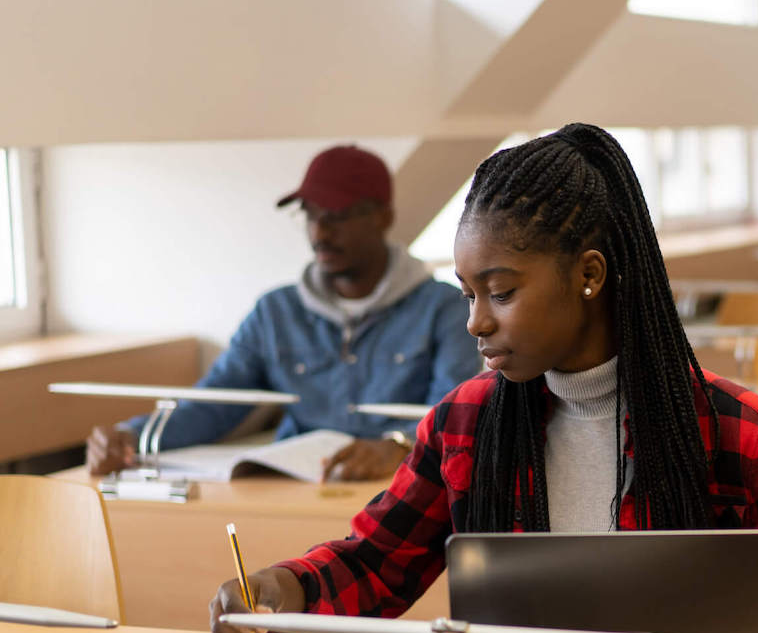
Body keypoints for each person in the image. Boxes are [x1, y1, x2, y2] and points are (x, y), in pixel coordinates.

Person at [209, 123, 758, 633]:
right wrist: (276, 591)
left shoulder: (742, 432)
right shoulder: (463, 425)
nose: (475, 321)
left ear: (588, 274)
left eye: (500, 291)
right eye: (468, 294)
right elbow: (374, 565)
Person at [85, 145, 479, 482]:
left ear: (383, 217)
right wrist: (132, 436)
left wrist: (397, 446)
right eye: (310, 215)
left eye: (336, 217)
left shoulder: (444, 308)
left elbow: (451, 417)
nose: (319, 233)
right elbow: (215, 402)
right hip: (294, 488)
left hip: (399, 493)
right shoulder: (275, 312)